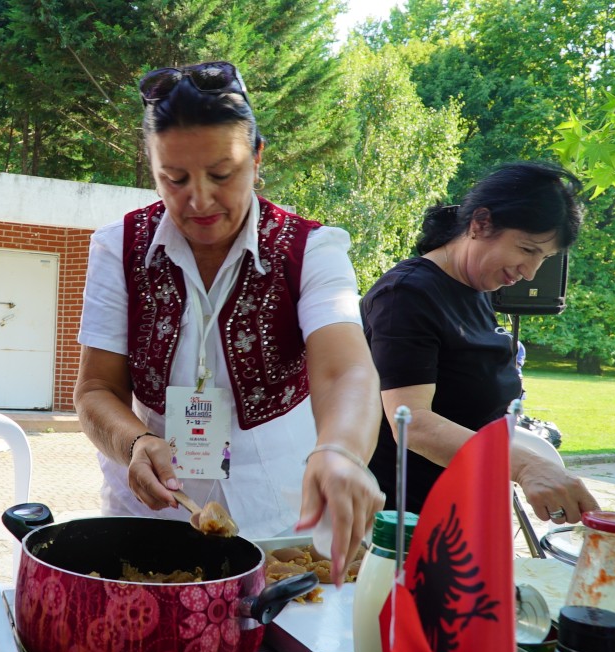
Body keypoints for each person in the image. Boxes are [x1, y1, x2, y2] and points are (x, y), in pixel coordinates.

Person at [74, 60, 383, 579]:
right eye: (174, 178)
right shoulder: (118, 247)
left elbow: (345, 370)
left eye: (222, 174)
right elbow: (96, 389)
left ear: (257, 159)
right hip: (153, 518)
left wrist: (340, 451)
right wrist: (135, 443)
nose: (199, 199)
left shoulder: (311, 250)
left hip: (279, 521)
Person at [360, 162, 599, 523]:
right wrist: (525, 466)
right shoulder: (406, 294)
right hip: (408, 521)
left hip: (465, 509)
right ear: (480, 223)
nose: (530, 273)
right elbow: (412, 423)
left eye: (544, 258)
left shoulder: (476, 289)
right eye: (527, 249)